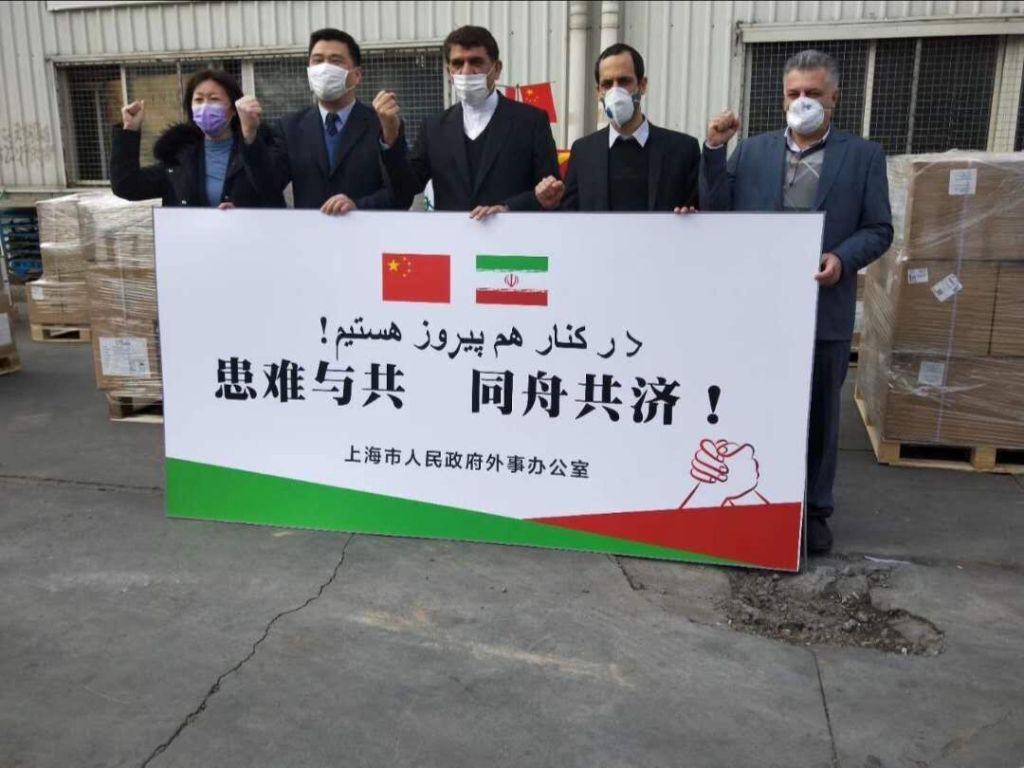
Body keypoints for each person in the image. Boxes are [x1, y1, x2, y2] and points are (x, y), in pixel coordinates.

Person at [699, 49, 893, 554]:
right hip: (758, 312)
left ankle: (814, 511)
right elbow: (716, 209)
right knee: (753, 408)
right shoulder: (753, 152)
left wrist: (842, 258)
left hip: (823, 311)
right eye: (793, 93)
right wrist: (715, 148)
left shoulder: (863, 156)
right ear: (782, 98)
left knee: (820, 416)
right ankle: (750, 503)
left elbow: (879, 228)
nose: (802, 101)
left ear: (834, 97)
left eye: (812, 93)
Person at [377, 25, 559, 219]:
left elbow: (551, 192)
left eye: (476, 62)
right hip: (452, 237)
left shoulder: (530, 122)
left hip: (512, 236)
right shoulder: (434, 127)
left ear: (497, 69)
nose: (466, 71)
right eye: (458, 63)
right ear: (449, 72)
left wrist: (508, 209)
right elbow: (404, 191)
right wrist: (390, 136)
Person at [534, 43, 700, 212]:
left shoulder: (683, 150)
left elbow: (702, 209)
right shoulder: (584, 152)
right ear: (599, 92)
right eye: (607, 84)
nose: (616, 91)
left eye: (624, 81)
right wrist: (551, 204)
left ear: (642, 85)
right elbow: (569, 215)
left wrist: (692, 217)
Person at [269, 28, 413, 214]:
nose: (325, 68)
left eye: (335, 61)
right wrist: (250, 137)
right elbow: (267, 187)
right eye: (318, 60)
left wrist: (357, 206)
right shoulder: (290, 127)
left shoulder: (381, 124)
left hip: (366, 230)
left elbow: (402, 196)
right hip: (310, 230)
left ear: (357, 75)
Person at [110, 69, 282, 208]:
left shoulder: (260, 148)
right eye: (198, 100)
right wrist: (130, 130)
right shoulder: (178, 156)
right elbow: (127, 186)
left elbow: (272, 189)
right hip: (192, 241)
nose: (205, 106)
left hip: (246, 238)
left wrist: (250, 137)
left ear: (233, 108)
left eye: (214, 99)